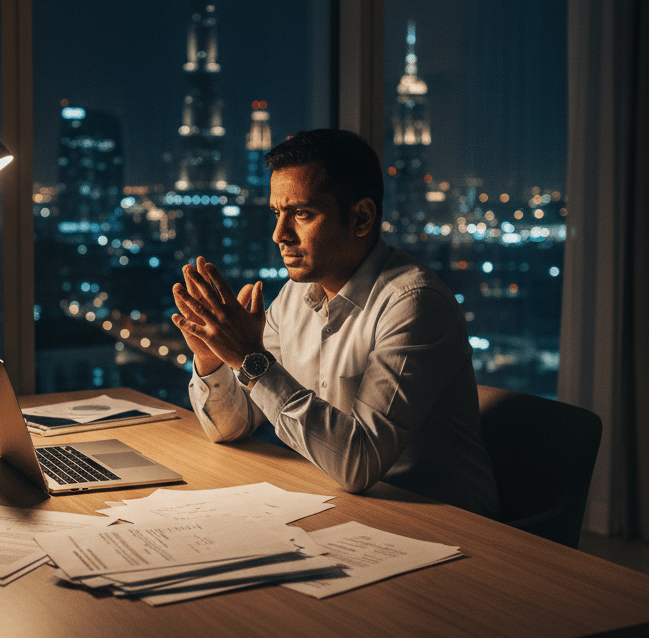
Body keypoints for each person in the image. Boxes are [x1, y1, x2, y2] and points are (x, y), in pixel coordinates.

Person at [172, 128, 498, 519]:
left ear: (360, 217)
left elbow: (357, 464)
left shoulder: (414, 305)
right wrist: (212, 360)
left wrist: (248, 358)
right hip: (337, 507)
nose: (280, 234)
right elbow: (229, 426)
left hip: (442, 525)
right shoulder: (295, 297)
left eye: (302, 214)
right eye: (277, 213)